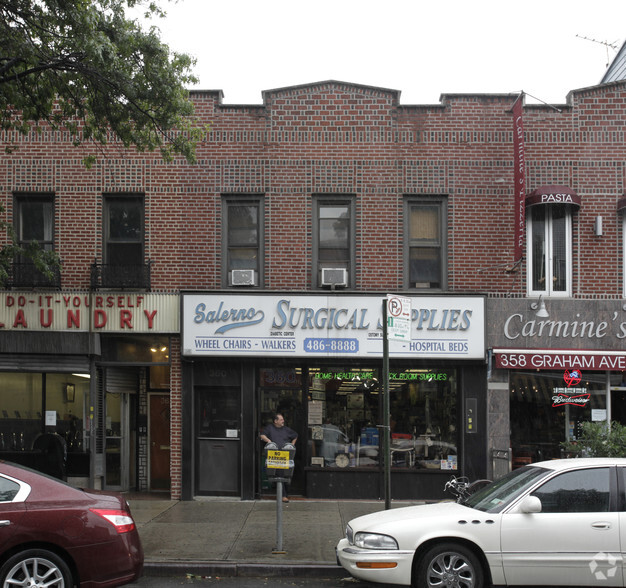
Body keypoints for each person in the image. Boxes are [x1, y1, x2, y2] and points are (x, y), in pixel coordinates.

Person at [260, 413, 297, 502]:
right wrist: (269, 441)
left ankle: (285, 494)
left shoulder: (286, 429)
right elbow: (262, 435)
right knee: (279, 474)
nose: (283, 421)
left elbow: (295, 435)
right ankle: (283, 495)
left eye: (283, 419)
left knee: (287, 475)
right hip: (275, 456)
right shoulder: (270, 428)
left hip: (286, 455)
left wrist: (292, 445)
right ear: (275, 421)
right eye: (281, 419)